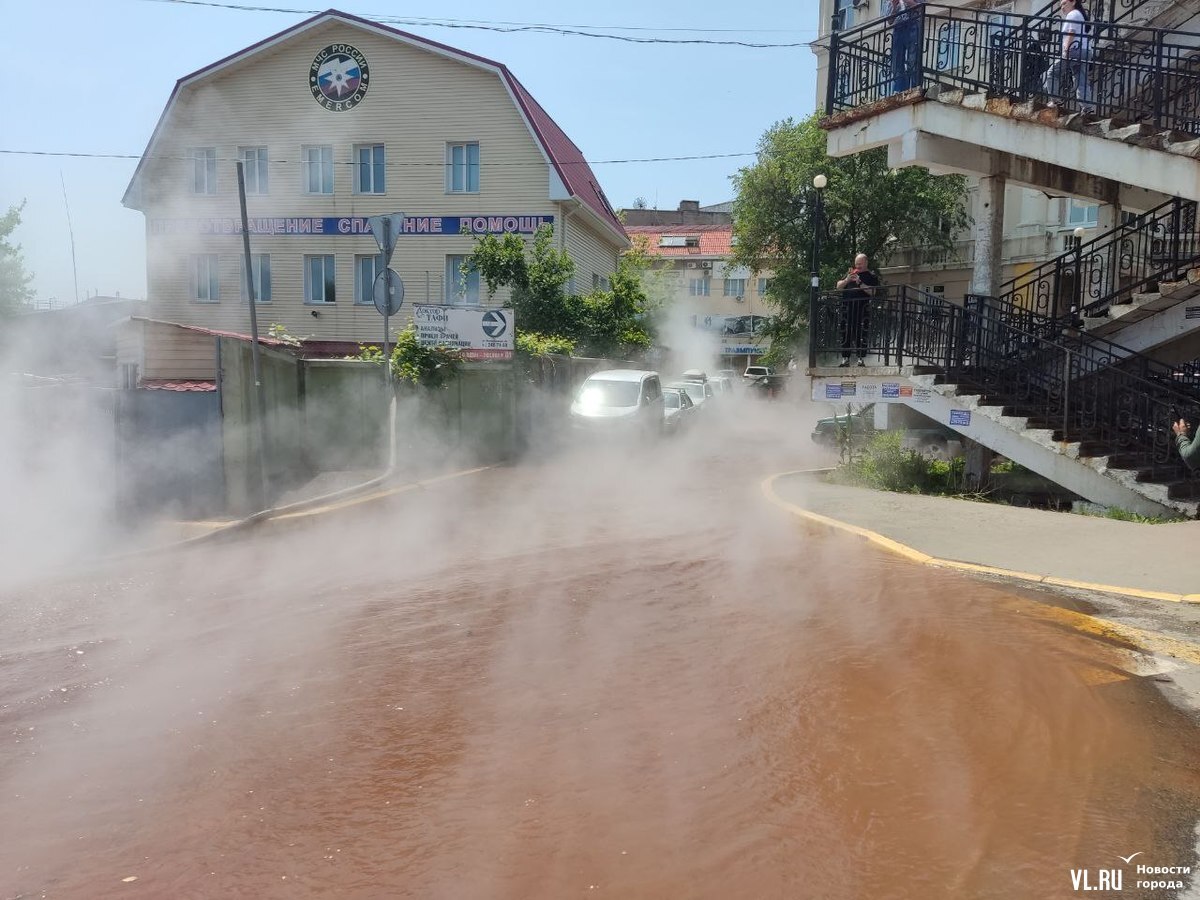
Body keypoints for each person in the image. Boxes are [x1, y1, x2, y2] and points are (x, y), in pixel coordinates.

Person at [1042, 0, 1093, 111]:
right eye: (1061, 5)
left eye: (1065, 3)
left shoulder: (1073, 14)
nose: (1062, 7)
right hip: (1085, 51)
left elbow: (1071, 32)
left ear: (1073, 2)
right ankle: (1087, 108)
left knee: (1052, 73)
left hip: (1074, 50)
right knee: (1081, 79)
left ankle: (1055, 101)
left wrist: (1066, 49)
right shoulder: (1079, 14)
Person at [835, 253, 880, 367]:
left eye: (859, 264)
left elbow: (873, 292)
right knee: (846, 332)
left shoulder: (871, 276)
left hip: (862, 309)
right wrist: (847, 280)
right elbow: (838, 286)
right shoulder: (851, 273)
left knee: (861, 333)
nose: (857, 266)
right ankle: (845, 359)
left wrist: (860, 283)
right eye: (856, 264)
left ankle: (861, 358)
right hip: (847, 308)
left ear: (865, 263)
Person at [888, 0, 925, 94]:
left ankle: (914, 86)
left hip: (912, 25)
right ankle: (900, 88)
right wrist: (894, 6)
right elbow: (890, 21)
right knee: (897, 60)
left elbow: (921, 8)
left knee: (913, 59)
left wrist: (908, 1)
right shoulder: (891, 2)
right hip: (898, 28)